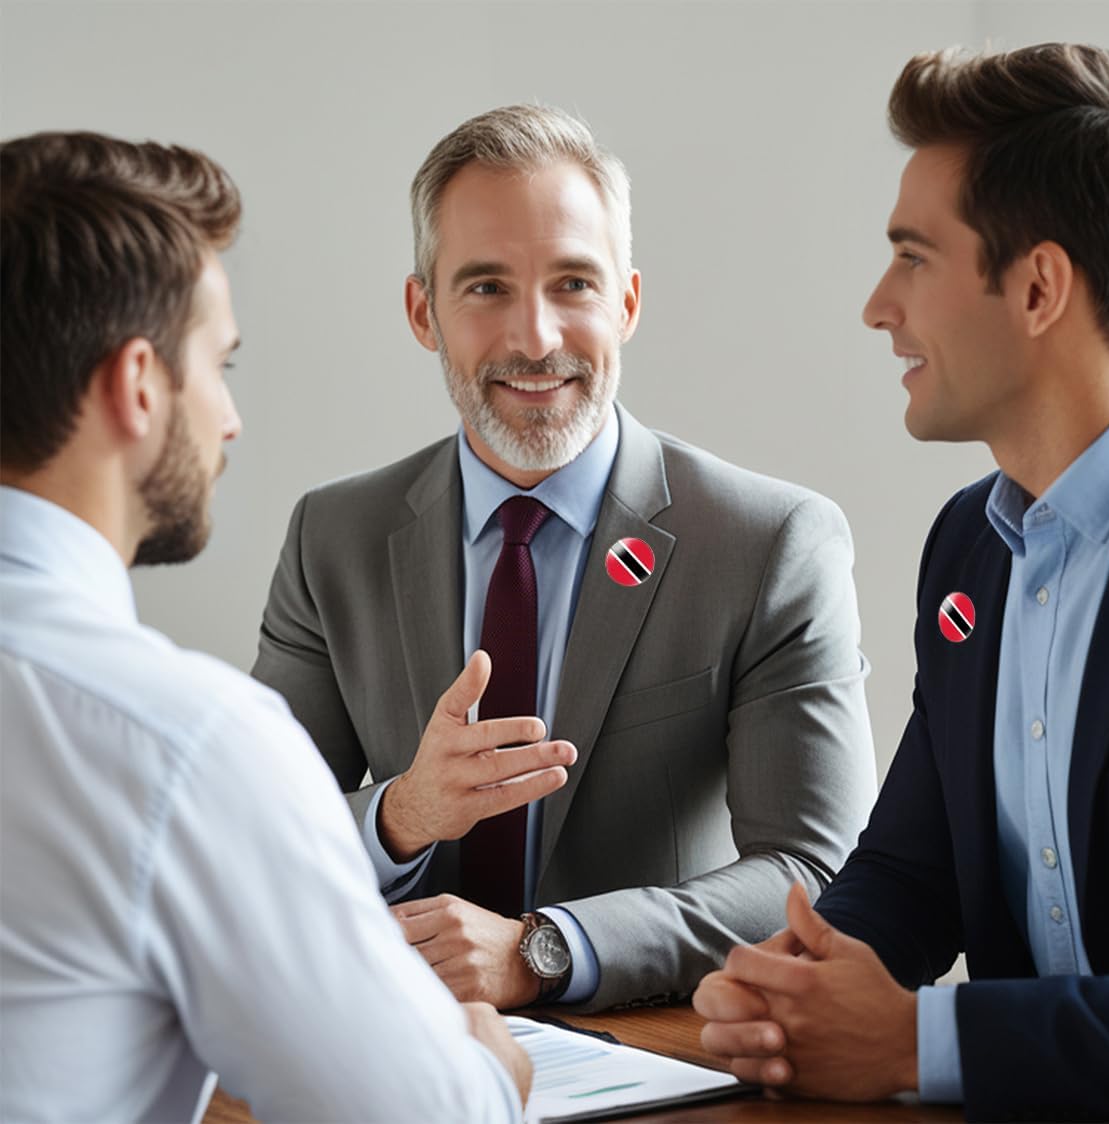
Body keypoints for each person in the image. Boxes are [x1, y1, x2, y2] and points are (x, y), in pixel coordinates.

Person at [252, 104, 877, 1013]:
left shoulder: (770, 543)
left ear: (626, 303)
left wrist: (549, 949)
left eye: (573, 285)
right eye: (487, 288)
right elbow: (245, 840)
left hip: (656, 1058)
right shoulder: (332, 538)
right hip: (397, 1052)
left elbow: (820, 873)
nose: (537, 338)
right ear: (424, 311)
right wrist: (401, 815)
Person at [0, 130, 529, 1122]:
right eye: (221, 362)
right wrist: (487, 1065)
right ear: (139, 385)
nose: (232, 418)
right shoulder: (183, 742)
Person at [694, 42, 1109, 1121]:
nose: (877, 305)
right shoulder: (966, 550)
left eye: (912, 257)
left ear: (1035, 287)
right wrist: (791, 978)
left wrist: (918, 1039)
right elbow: (911, 874)